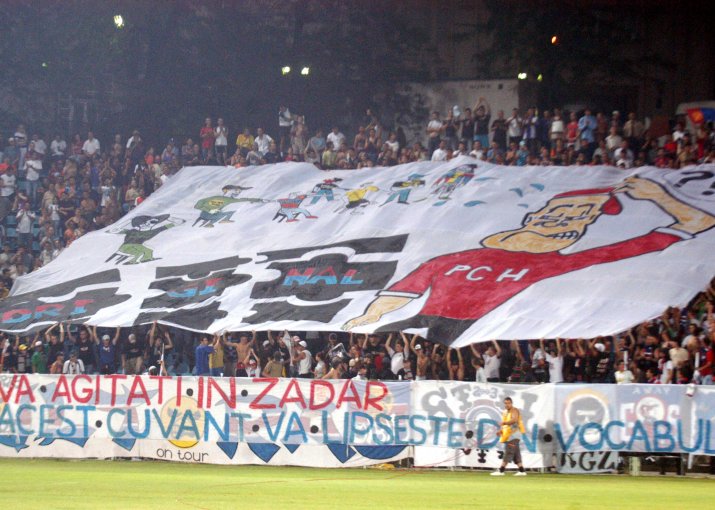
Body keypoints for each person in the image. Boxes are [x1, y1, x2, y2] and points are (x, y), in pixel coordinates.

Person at [491, 397, 527, 476]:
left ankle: (501, 471)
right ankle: (522, 471)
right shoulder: (505, 412)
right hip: (509, 435)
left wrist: (503, 423)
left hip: (514, 435)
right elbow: (506, 425)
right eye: (505, 403)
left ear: (511, 403)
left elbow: (514, 420)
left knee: (508, 452)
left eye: (508, 403)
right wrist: (501, 431)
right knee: (516, 454)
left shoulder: (514, 410)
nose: (506, 405)